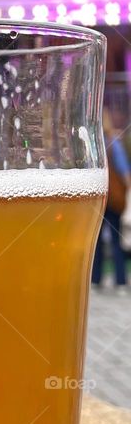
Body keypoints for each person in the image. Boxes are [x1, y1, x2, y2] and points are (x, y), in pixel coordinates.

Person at [92, 113, 131, 292]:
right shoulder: (113, 144)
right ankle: (121, 281)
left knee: (97, 241)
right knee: (116, 239)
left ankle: (96, 280)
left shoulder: (92, 146)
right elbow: (124, 172)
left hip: (98, 198)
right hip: (114, 200)